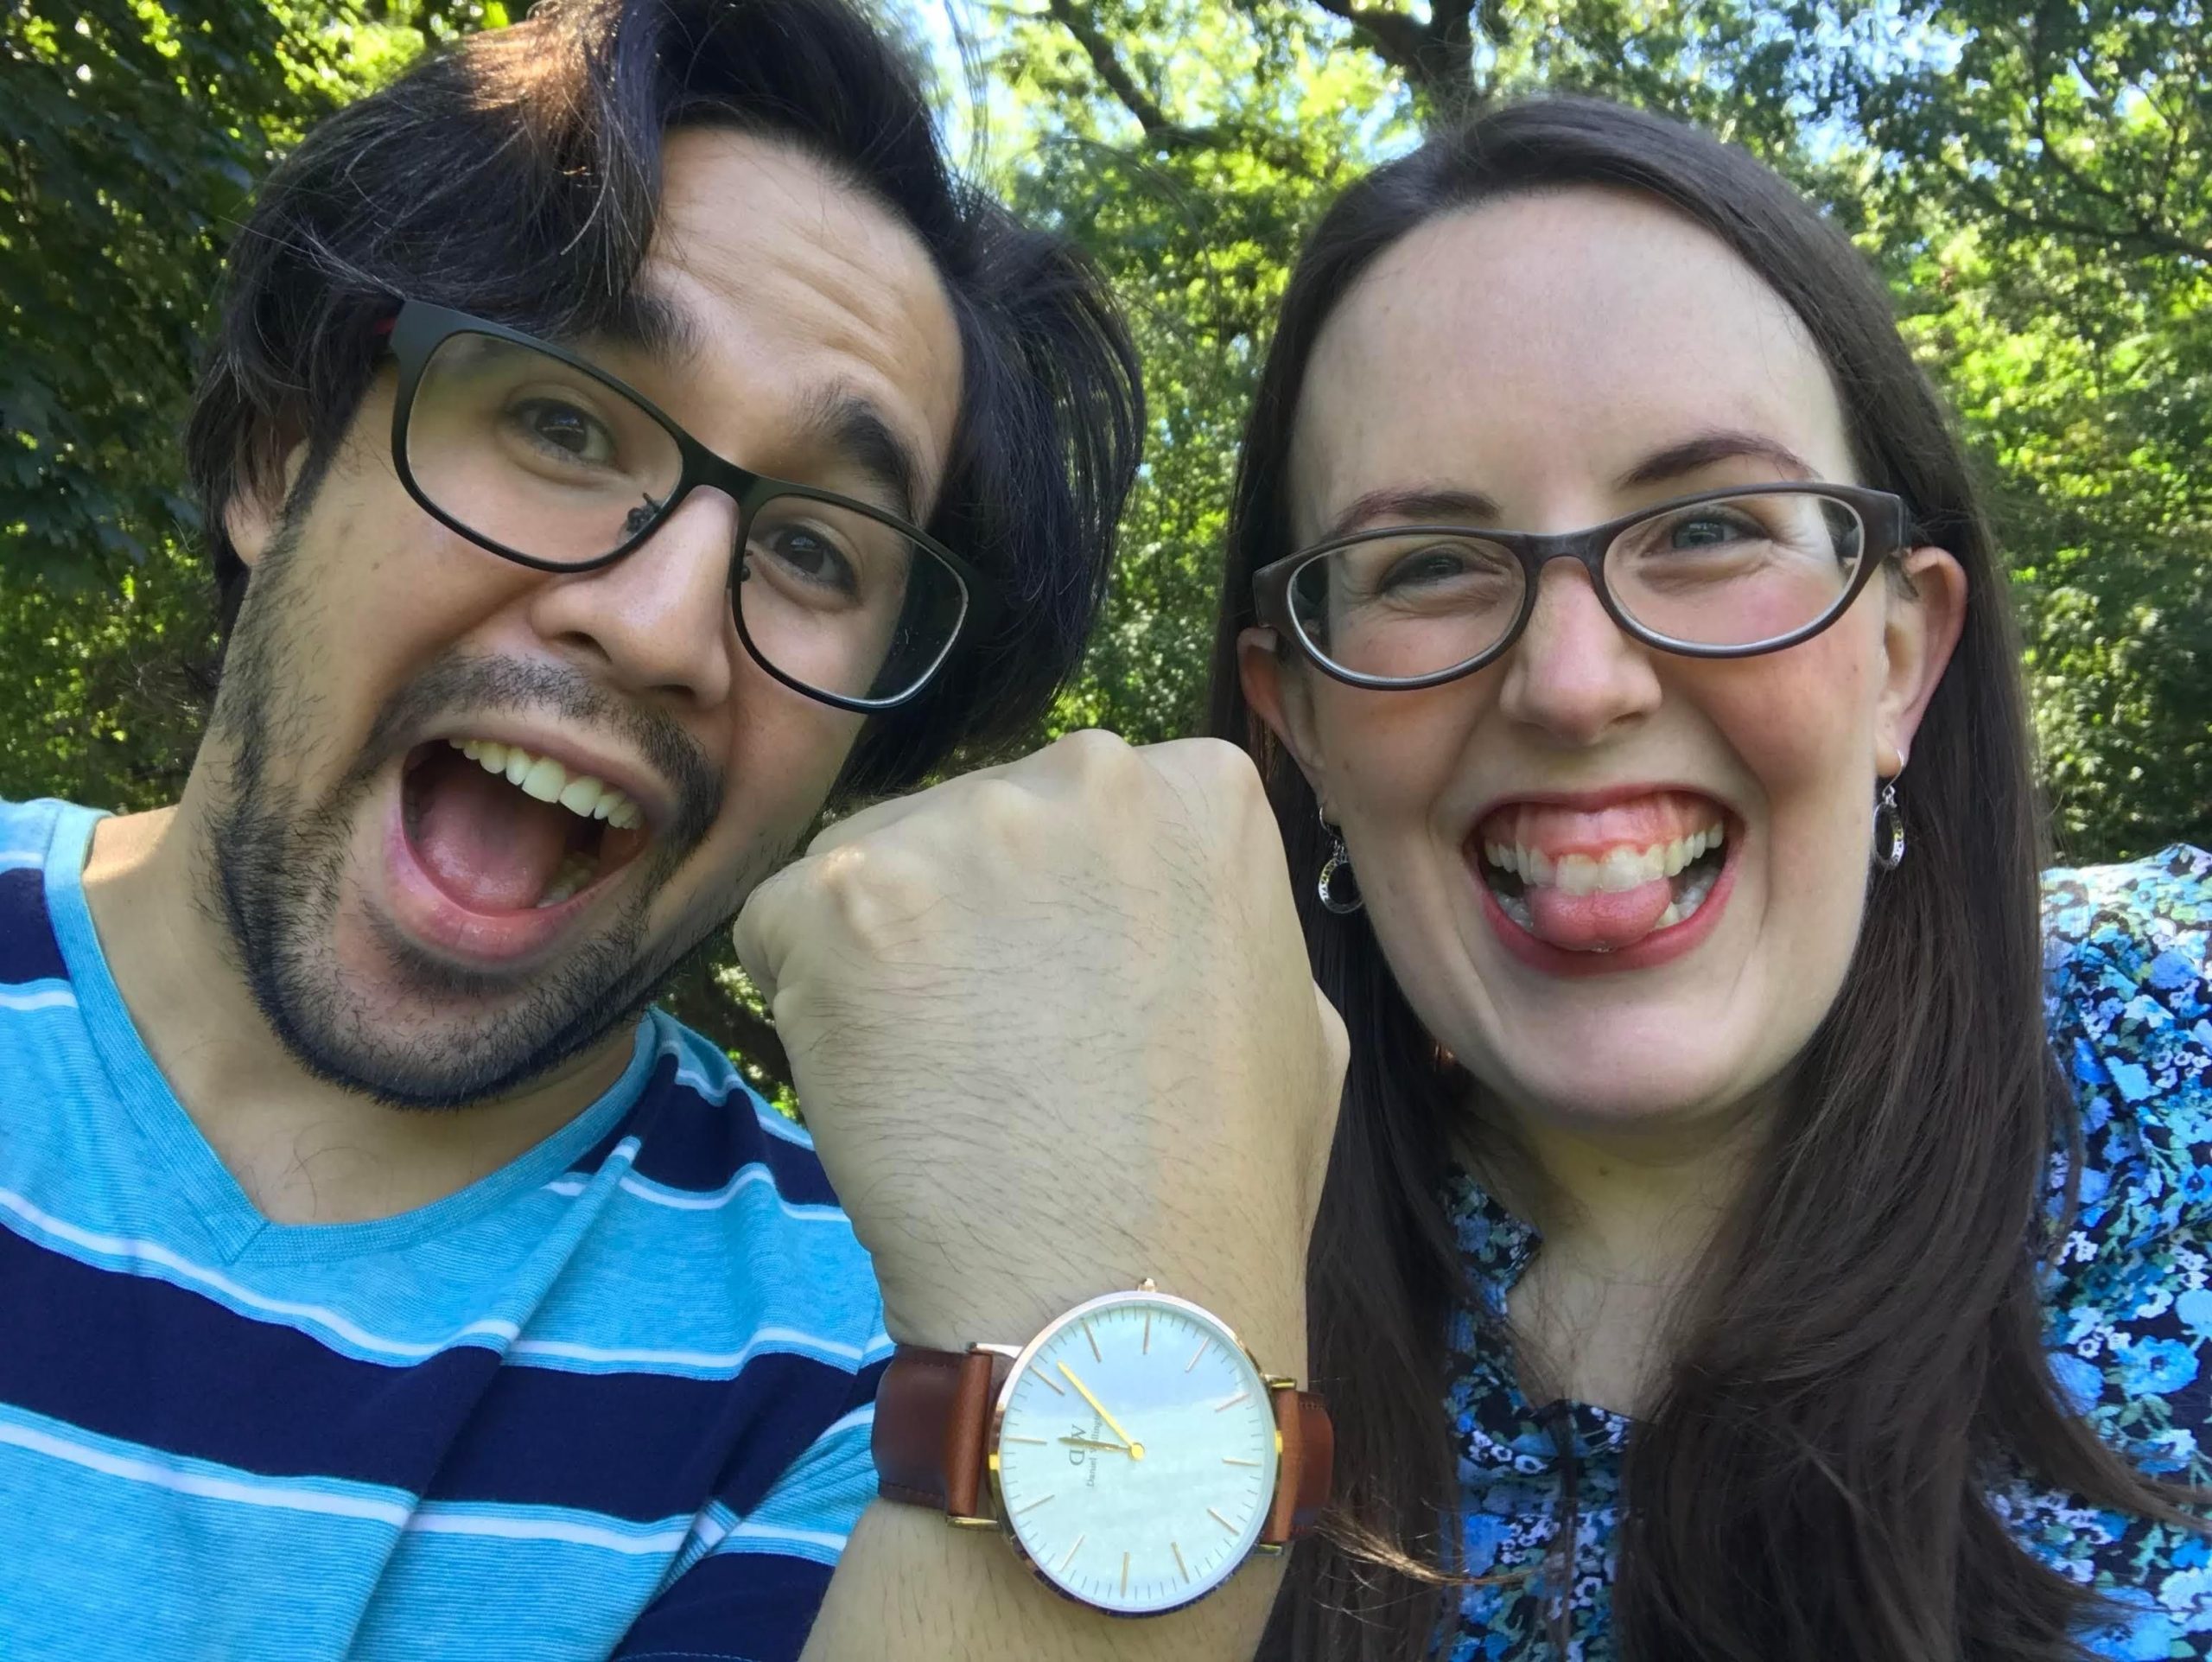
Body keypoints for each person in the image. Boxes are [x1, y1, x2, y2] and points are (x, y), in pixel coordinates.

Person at [0, 0, 1348, 1657]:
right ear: (283, 459)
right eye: (564, 421)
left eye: (815, 551)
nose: (657, 622)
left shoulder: (889, 1403)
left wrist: (1155, 1313)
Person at [1212, 97, 2212, 1660]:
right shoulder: (1167, 1320)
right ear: (1305, 732)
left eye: (1707, 526)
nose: (1573, 682)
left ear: (1898, 658)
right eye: (1426, 564)